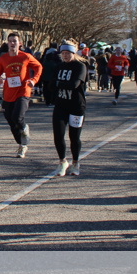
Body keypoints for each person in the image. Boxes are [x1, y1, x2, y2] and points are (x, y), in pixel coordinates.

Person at [0, 33, 42, 158]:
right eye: (10, 41)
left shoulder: (26, 56)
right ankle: (21, 144)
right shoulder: (3, 59)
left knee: (17, 117)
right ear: (7, 43)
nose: (12, 43)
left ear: (20, 43)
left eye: (15, 41)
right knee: (10, 120)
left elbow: (39, 67)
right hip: (8, 93)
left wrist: (33, 80)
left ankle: (24, 128)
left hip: (23, 91)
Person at [52, 40, 87, 176]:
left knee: (74, 136)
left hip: (76, 106)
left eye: (68, 53)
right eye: (63, 53)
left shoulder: (80, 67)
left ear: (73, 53)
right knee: (58, 134)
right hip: (61, 105)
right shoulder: (58, 66)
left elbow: (74, 84)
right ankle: (62, 162)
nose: (65, 56)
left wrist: (58, 83)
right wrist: (58, 84)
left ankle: (75, 163)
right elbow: (50, 84)